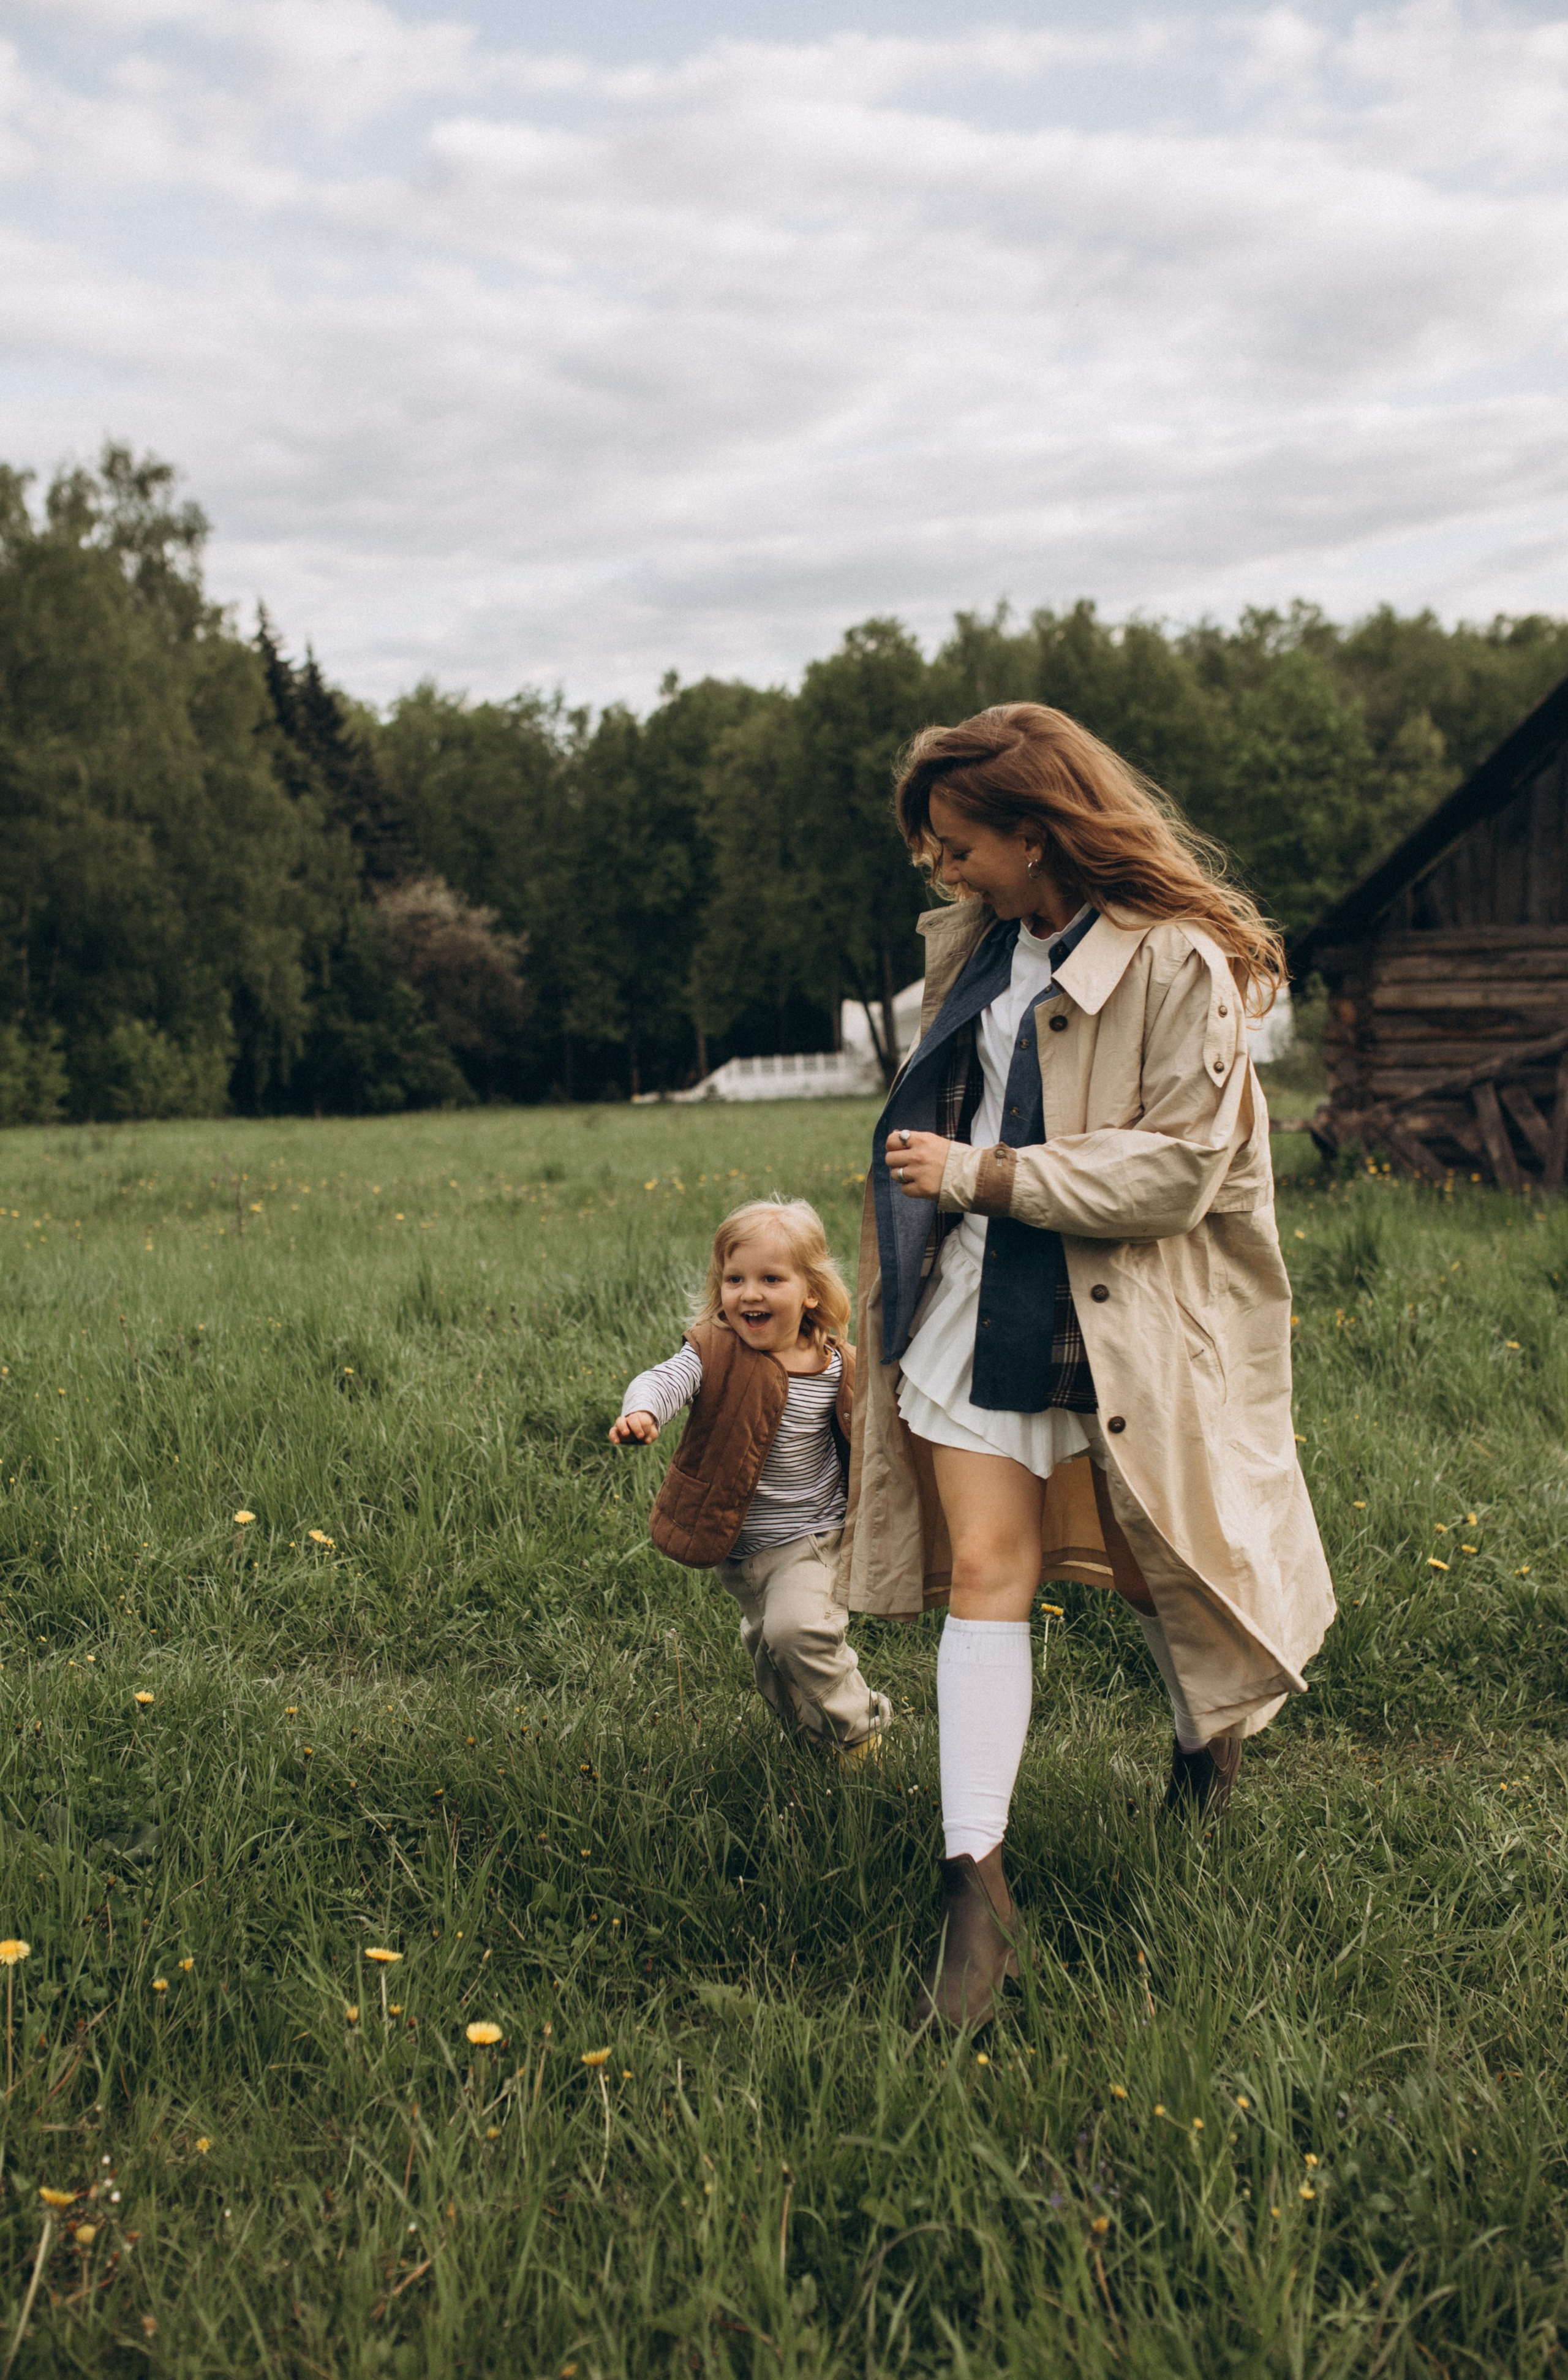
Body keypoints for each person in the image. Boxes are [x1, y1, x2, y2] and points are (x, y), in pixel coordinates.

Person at [839, 703, 1335, 2027]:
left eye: (958, 846)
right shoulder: (981, 942)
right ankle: (975, 1890)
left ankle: (1203, 1748)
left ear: (1038, 833)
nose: (942, 869)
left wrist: (985, 1174)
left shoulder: (1181, 962)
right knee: (988, 1572)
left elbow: (1182, 1169)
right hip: (979, 1301)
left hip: (1137, 1318)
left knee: (1160, 1555)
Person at [612, 1197, 890, 1758]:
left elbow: (883, 1423)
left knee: (797, 1631)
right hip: (737, 1546)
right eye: (734, 1279)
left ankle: (861, 1731)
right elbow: (663, 1380)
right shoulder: (714, 1351)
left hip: (812, 1536)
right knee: (771, 1651)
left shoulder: (840, 1365)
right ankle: (810, 1743)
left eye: (771, 1279)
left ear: (811, 1291)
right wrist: (642, 1411)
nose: (749, 1293)